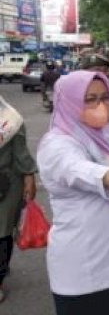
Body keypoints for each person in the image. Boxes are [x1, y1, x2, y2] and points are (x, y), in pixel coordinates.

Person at [37, 71, 109, 315]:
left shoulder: (105, 134)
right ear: (68, 101)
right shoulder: (57, 143)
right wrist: (106, 176)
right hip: (87, 269)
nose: (100, 105)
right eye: (89, 99)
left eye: (105, 97)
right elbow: (72, 167)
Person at [0, 97, 36, 303]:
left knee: (2, 232)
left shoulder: (10, 120)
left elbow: (21, 155)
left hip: (5, 185)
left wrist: (29, 177)